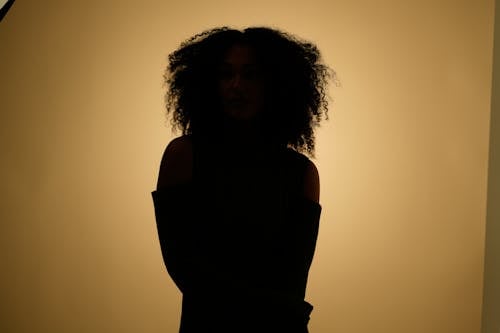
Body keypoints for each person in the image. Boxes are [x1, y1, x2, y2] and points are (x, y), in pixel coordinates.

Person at [152, 26, 332, 333]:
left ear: (274, 84)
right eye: (225, 75)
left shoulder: (301, 173)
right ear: (210, 83)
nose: (237, 86)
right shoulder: (184, 156)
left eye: (251, 75)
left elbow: (293, 279)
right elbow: (185, 268)